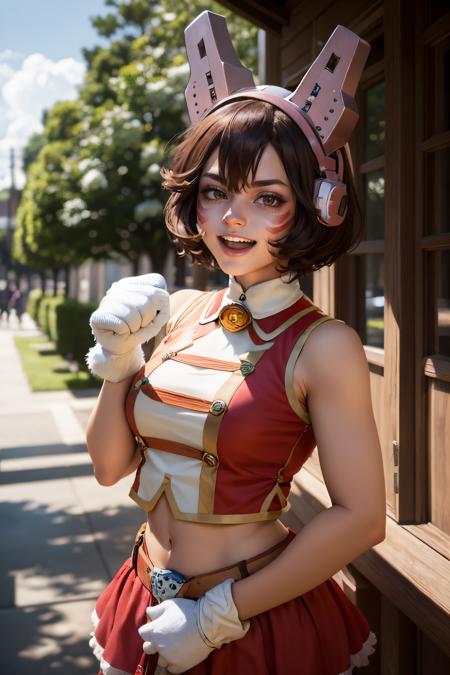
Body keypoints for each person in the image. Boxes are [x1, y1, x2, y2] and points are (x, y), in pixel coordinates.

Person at [86, 12, 386, 675]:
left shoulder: (323, 344)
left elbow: (363, 518)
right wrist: (119, 362)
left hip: (253, 618)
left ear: (318, 204)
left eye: (266, 197)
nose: (231, 217)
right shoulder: (181, 309)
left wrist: (219, 614)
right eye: (216, 191)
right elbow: (109, 468)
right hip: (143, 594)